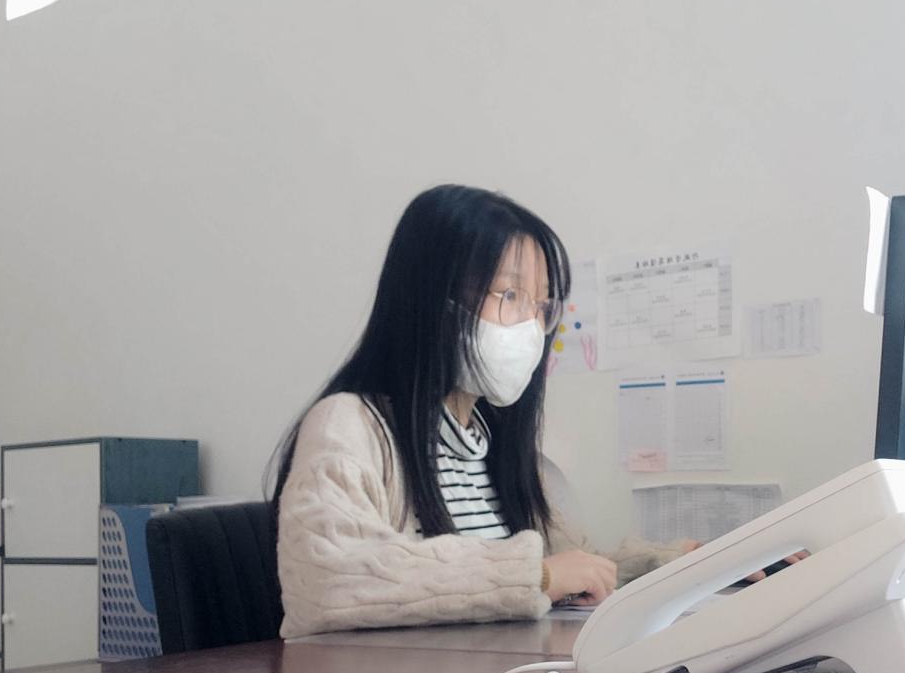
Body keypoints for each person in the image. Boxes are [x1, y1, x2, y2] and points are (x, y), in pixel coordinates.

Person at [270, 184, 699, 639]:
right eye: (510, 295)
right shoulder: (347, 425)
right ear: (431, 297)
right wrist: (535, 576)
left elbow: (577, 569)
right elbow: (329, 581)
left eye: (541, 305)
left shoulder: (494, 444)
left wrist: (685, 564)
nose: (532, 326)